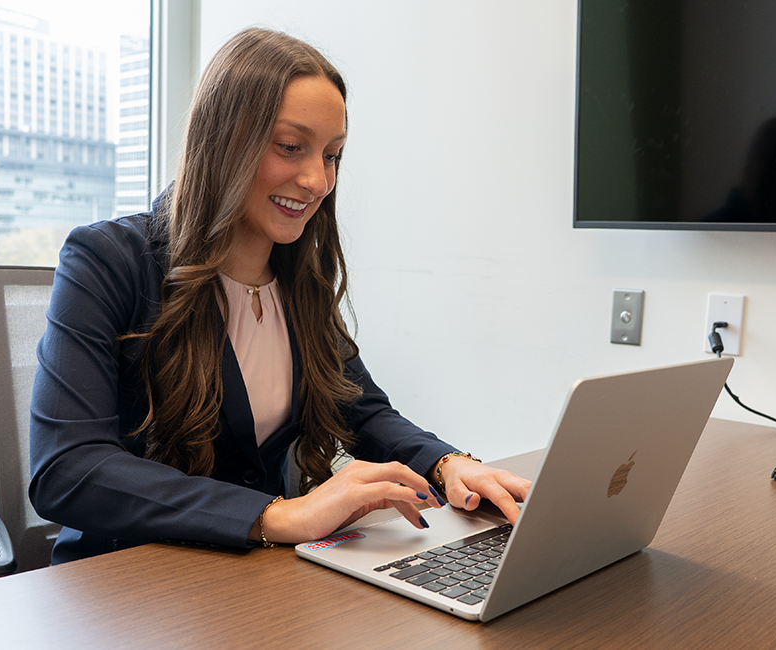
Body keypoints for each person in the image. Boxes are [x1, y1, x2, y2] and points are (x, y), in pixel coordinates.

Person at [28, 27, 531, 564]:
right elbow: (67, 468)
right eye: (291, 147)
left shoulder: (298, 279)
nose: (318, 180)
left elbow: (361, 409)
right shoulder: (109, 259)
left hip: (255, 579)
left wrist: (451, 464)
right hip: (128, 580)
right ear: (223, 141)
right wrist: (277, 515)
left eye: (332, 155)